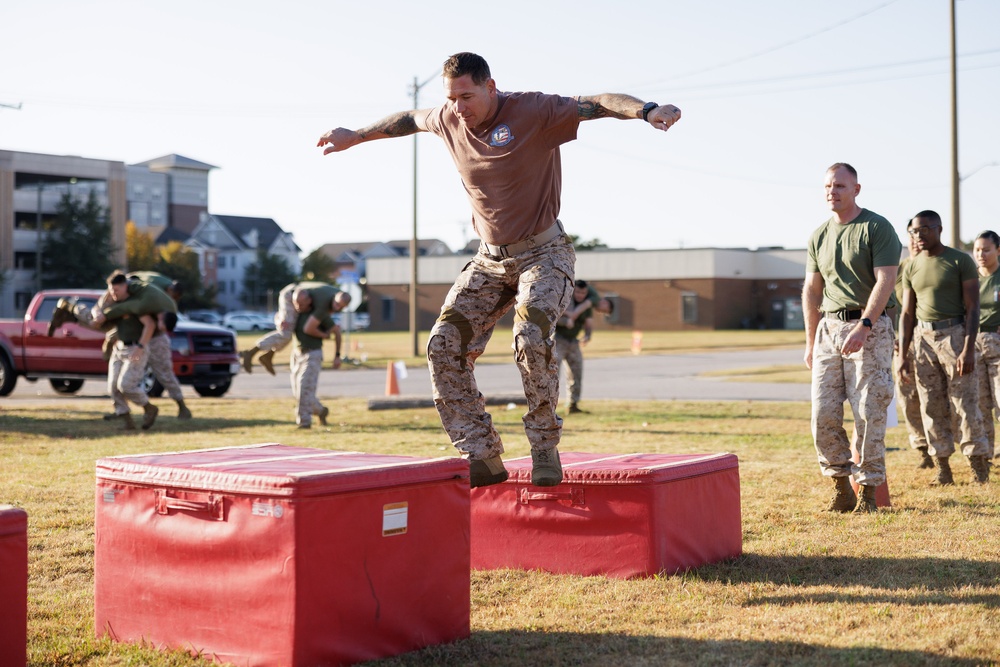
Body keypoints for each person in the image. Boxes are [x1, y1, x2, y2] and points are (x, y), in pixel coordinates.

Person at [317, 52, 681, 488]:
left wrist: (646, 111)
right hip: (489, 260)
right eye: (452, 99)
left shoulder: (534, 109)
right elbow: (409, 119)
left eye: (467, 96)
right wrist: (355, 136)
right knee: (442, 345)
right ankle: (482, 453)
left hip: (544, 254)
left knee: (529, 335)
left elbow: (599, 101)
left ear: (491, 87)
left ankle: (544, 446)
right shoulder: (448, 118)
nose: (459, 108)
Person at [802, 163, 900, 514]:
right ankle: (841, 487)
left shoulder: (876, 227)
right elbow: (812, 291)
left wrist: (865, 325)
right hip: (829, 330)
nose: (833, 191)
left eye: (840, 186)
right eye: (828, 186)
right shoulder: (819, 235)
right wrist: (812, 341)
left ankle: (870, 493)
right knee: (823, 414)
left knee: (869, 411)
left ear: (856, 189)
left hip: (869, 329)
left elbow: (886, 279)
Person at [899, 211, 990, 485]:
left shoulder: (959, 260)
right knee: (930, 404)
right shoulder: (911, 267)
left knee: (965, 402)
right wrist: (903, 355)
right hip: (922, 339)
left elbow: (973, 307)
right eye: (915, 231)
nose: (919, 235)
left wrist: (968, 348)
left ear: (939, 229)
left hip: (955, 335)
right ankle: (943, 468)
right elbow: (906, 314)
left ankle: (978, 465)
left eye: (925, 229)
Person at [49, 272, 192, 420]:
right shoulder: (129, 291)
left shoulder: (153, 300)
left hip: (153, 337)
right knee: (98, 321)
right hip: (137, 333)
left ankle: (181, 406)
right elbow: (118, 317)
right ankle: (122, 411)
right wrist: (104, 318)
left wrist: (107, 319)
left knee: (163, 372)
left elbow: (130, 308)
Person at [240, 282, 350, 375]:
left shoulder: (336, 293)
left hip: (297, 293)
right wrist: (325, 335)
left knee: (289, 329)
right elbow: (308, 329)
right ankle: (251, 352)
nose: (337, 308)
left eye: (341, 307)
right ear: (335, 297)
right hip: (290, 295)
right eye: (336, 304)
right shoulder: (323, 305)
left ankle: (268, 355)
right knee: (286, 333)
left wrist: (280, 318)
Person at [101, 273, 160, 430]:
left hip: (135, 348)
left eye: (117, 290)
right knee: (113, 387)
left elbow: (150, 325)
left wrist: (140, 347)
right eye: (111, 290)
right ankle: (127, 422)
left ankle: (149, 408)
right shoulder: (115, 304)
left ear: (125, 287)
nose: (114, 294)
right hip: (119, 347)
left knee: (126, 385)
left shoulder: (135, 304)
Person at [895, 221, 931, 468]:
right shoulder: (899, 269)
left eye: (921, 234)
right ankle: (922, 450)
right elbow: (890, 304)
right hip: (906, 340)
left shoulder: (939, 264)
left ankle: (942, 446)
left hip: (935, 337)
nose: (916, 239)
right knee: (908, 395)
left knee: (936, 396)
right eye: (912, 234)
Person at [554, 280, 614, 414]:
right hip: (558, 340)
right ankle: (549, 407)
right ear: (573, 291)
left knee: (576, 372)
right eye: (578, 292)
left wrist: (587, 335)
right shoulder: (564, 299)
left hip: (573, 342)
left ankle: (573, 405)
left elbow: (588, 323)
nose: (580, 295)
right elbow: (553, 317)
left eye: (583, 293)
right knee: (553, 373)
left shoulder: (587, 306)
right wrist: (566, 321)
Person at [289, 287, 335, 429]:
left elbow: (335, 330)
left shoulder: (317, 315)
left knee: (304, 389)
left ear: (309, 301)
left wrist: (336, 353)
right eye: (296, 303)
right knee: (299, 393)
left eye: (301, 303)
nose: (298, 306)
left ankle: (304, 422)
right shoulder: (295, 314)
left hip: (312, 354)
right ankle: (321, 411)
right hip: (297, 354)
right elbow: (281, 319)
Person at [973, 230, 1000, 462]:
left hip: (998, 344)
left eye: (987, 249)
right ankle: (987, 454)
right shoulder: (969, 278)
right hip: (974, 346)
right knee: (981, 404)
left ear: (998, 250)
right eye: (978, 250)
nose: (981, 254)